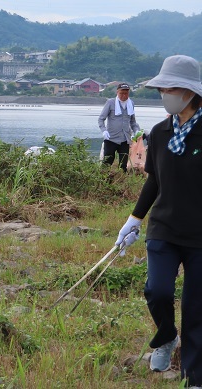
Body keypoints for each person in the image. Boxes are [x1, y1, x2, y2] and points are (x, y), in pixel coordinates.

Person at [115, 55, 202, 387]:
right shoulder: (161, 131)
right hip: (163, 227)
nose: (165, 93)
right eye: (162, 87)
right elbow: (154, 181)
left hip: (200, 234)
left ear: (190, 91)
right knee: (157, 290)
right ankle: (167, 336)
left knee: (196, 311)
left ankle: (193, 378)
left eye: (172, 87)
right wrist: (133, 220)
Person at [98, 83, 141, 172]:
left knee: (123, 165)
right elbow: (101, 119)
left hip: (125, 139)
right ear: (117, 92)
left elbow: (133, 122)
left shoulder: (131, 103)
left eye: (126, 93)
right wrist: (104, 131)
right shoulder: (110, 103)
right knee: (107, 163)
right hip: (111, 138)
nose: (124, 95)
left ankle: (121, 181)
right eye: (122, 93)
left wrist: (136, 131)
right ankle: (103, 182)